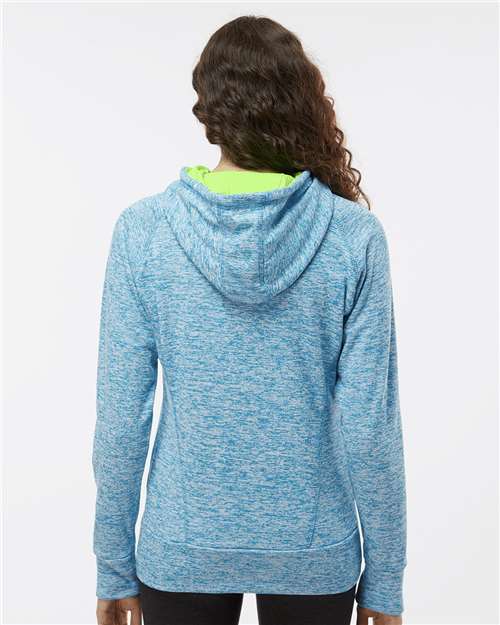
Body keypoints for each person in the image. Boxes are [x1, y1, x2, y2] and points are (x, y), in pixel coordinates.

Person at [92, 14, 408, 625]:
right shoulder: (352, 237)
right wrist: (385, 581)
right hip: (314, 549)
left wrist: (113, 566)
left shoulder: (145, 232)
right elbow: (371, 426)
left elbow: (120, 420)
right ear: (302, 103)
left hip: (182, 545)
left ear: (208, 109)